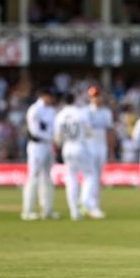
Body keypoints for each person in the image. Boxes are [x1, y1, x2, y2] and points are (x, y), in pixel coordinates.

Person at [54, 93, 94, 221]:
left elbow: (57, 137)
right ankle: (84, 201)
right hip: (80, 145)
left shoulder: (60, 115)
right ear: (75, 100)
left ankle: (74, 212)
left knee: (71, 178)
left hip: (67, 147)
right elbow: (89, 132)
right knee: (90, 175)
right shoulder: (81, 114)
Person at [22, 87, 58, 221]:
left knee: (47, 177)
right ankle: (28, 210)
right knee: (33, 176)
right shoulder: (35, 110)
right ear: (44, 95)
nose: (52, 99)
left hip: (48, 146)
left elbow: (54, 128)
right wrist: (51, 138)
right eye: (50, 96)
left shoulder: (51, 110)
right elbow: (34, 131)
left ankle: (47, 209)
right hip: (37, 146)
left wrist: (54, 138)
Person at [85, 86, 113, 219]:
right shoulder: (86, 112)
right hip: (90, 146)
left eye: (98, 96)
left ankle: (94, 205)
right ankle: (89, 204)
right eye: (93, 96)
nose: (96, 99)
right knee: (91, 177)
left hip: (101, 146)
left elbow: (109, 131)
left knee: (98, 177)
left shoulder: (106, 112)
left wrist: (111, 150)